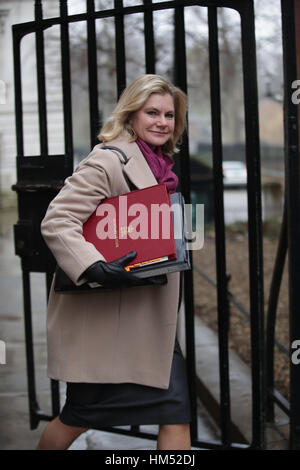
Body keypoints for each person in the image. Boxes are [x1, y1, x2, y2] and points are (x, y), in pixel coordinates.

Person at [36, 74, 191, 450]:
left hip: (147, 322)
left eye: (169, 115)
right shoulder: (108, 160)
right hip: (111, 325)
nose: (161, 122)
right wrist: (92, 267)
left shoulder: (161, 166)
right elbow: (57, 220)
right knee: (76, 417)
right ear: (131, 116)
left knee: (176, 414)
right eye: (151, 112)